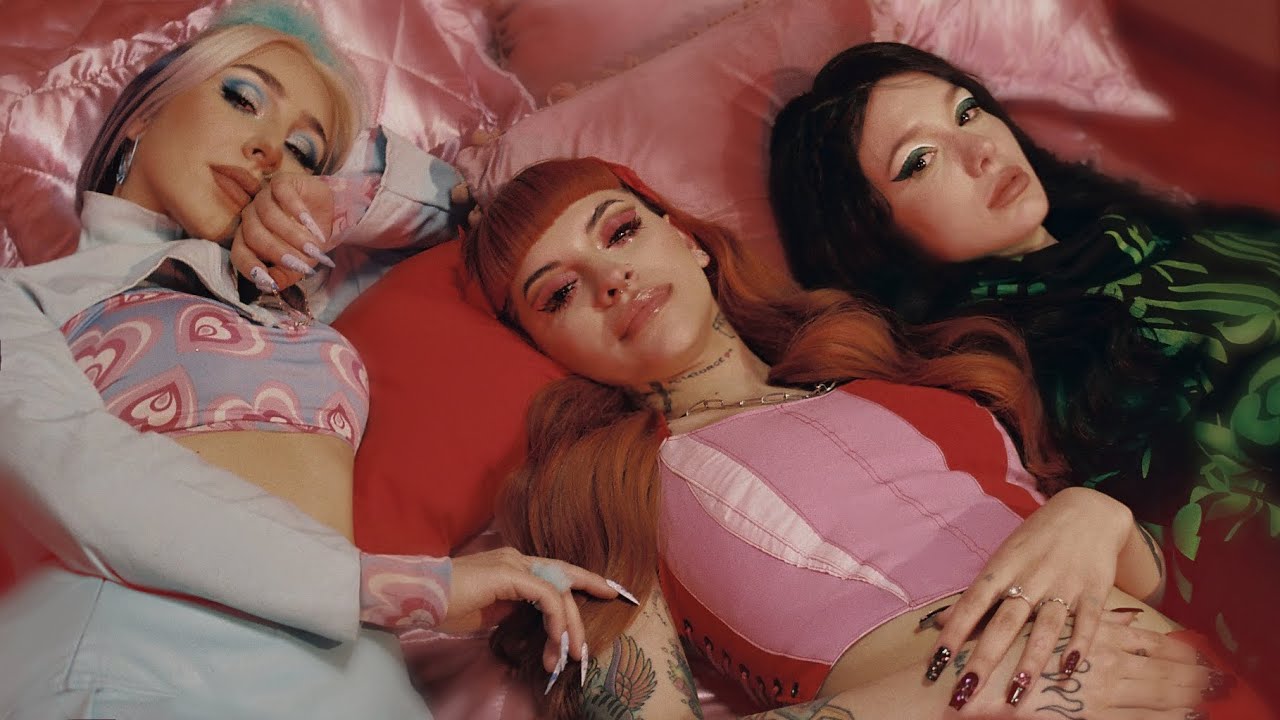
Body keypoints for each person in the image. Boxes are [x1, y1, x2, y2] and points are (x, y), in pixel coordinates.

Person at [462, 156, 1269, 719]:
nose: (611, 280)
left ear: (689, 239)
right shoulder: (602, 489)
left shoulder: (899, 370)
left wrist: (1098, 516)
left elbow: (1149, 577)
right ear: (544, 349)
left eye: (619, 233)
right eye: (559, 293)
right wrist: (956, 692)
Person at [0, 4, 624, 718]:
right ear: (144, 111)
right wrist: (399, 587)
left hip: (349, 677)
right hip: (134, 655)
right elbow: (76, 477)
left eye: (302, 149)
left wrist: (333, 201)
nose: (268, 151)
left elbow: (472, 203)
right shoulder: (28, 299)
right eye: (242, 99)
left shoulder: (304, 306)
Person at [767, 41, 1280, 689]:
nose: (981, 151)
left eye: (967, 111)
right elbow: (1204, 540)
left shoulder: (1144, 223)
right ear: (873, 235)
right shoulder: (1010, 363)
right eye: (920, 160)